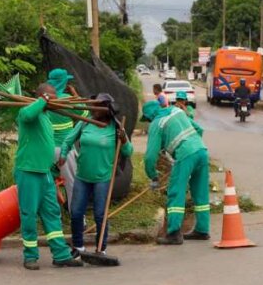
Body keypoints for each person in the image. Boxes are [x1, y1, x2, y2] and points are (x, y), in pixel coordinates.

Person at [15, 82, 83, 270]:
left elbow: (46, 143)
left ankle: (60, 254)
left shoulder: (45, 117)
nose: (56, 101)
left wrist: (55, 165)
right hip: (28, 171)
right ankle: (30, 256)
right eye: (52, 97)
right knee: (29, 214)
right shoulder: (27, 112)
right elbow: (27, 115)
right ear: (43, 97)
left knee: (52, 212)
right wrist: (43, 101)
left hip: (45, 172)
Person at [58, 94, 132, 256]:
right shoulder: (85, 123)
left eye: (97, 106)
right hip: (82, 176)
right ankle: (78, 247)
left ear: (107, 109)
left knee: (100, 214)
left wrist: (124, 139)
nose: (93, 108)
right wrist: (63, 155)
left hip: (103, 178)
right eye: (93, 105)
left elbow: (128, 151)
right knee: (76, 212)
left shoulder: (115, 127)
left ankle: (101, 249)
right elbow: (68, 140)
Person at [142, 100, 210, 245]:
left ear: (149, 116)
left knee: (176, 192)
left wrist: (153, 176)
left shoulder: (157, 123)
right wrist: (192, 147)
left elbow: (150, 157)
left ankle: (173, 233)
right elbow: (199, 129)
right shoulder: (176, 111)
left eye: (147, 119)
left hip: (186, 155)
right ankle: (202, 230)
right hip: (202, 151)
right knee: (201, 192)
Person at [46, 68, 83, 212]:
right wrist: (75, 95)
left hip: (46, 149)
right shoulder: (67, 99)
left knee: (49, 182)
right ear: (63, 82)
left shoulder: (43, 99)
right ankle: (78, 216)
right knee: (72, 183)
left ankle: (55, 212)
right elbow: (85, 112)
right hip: (64, 149)